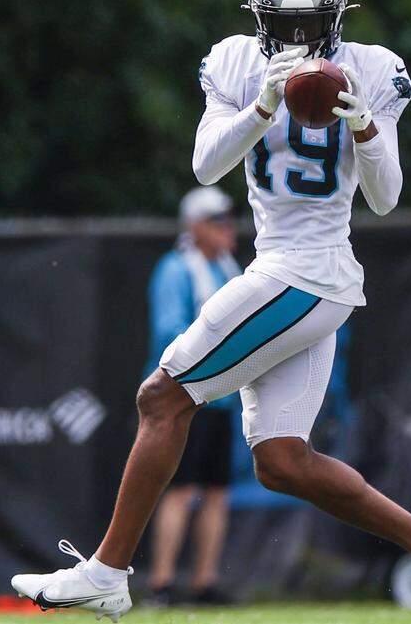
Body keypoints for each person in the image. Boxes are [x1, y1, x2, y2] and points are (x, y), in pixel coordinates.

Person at [12, 0, 411, 624]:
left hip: (310, 270)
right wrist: (261, 107)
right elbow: (207, 168)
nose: (296, 39)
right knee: (282, 461)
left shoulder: (372, 68)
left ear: (338, 17)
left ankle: (107, 573)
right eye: (282, 23)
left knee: (161, 398)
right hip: (288, 271)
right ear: (260, 17)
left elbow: (385, 197)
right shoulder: (235, 62)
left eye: (311, 23)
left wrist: (365, 125)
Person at [145, 187, 240, 606]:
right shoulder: (175, 269)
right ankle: (162, 584)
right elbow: (171, 331)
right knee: (180, 491)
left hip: (220, 399)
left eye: (227, 220)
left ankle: (206, 582)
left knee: (217, 491)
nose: (227, 229)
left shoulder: (228, 268)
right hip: (184, 398)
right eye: (216, 221)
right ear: (195, 227)